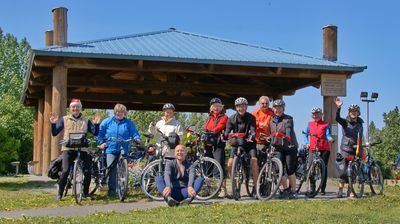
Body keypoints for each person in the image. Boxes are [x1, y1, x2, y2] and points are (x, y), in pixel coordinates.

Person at [50, 98, 100, 200]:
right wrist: (53, 124)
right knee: (65, 171)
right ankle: (59, 193)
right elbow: (55, 133)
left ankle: (86, 193)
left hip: (83, 149)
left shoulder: (86, 120)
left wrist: (96, 124)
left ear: (81, 108)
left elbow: (95, 133)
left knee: (87, 171)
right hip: (68, 149)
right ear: (70, 108)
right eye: (73, 106)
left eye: (77, 106)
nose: (75, 108)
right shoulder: (64, 119)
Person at [97, 103, 141, 197]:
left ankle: (122, 189)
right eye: (117, 111)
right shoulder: (107, 121)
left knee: (123, 169)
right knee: (112, 170)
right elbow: (100, 133)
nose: (119, 113)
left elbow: (134, 133)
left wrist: (137, 138)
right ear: (114, 112)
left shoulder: (129, 123)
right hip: (111, 148)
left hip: (124, 148)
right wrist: (101, 143)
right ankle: (112, 191)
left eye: (121, 112)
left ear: (124, 113)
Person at [225, 97, 258, 196]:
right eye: (239, 106)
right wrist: (225, 135)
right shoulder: (231, 118)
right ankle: (233, 186)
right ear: (236, 108)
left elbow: (253, 130)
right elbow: (227, 130)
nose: (241, 108)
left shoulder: (251, 117)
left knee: (254, 162)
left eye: (243, 106)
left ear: (246, 107)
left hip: (249, 143)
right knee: (230, 164)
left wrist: (252, 135)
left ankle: (256, 188)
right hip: (236, 143)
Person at [335, 98, 364, 198]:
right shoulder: (345, 122)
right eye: (351, 111)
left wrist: (361, 148)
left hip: (356, 149)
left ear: (358, 113)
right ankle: (340, 190)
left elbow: (360, 137)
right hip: (345, 149)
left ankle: (350, 191)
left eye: (355, 111)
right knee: (343, 171)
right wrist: (338, 107)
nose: (353, 113)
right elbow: (337, 118)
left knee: (353, 171)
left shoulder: (360, 125)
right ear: (349, 112)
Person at [269, 99, 298, 199]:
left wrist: (287, 135)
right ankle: (285, 189)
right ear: (273, 109)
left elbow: (288, 129)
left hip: (290, 146)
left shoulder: (288, 119)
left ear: (283, 109)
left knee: (290, 169)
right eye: (276, 108)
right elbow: (271, 133)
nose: (278, 110)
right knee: (278, 168)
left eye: (280, 108)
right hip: (278, 147)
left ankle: (293, 191)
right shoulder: (272, 121)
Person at [303, 107, 334, 195]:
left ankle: (323, 188)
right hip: (312, 148)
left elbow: (327, 134)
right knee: (310, 167)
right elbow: (305, 134)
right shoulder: (309, 124)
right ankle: (312, 188)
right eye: (314, 114)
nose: (315, 115)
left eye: (317, 113)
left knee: (323, 168)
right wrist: (307, 143)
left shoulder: (326, 124)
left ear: (321, 115)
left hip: (324, 149)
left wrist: (330, 138)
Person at [202, 97, 228, 197]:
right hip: (208, 145)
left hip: (218, 144)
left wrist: (209, 131)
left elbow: (218, 127)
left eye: (218, 106)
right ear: (211, 108)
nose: (216, 108)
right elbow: (204, 127)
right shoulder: (208, 118)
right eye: (214, 106)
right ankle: (208, 189)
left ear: (221, 107)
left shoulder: (224, 117)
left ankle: (220, 190)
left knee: (218, 167)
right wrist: (205, 131)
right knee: (208, 168)